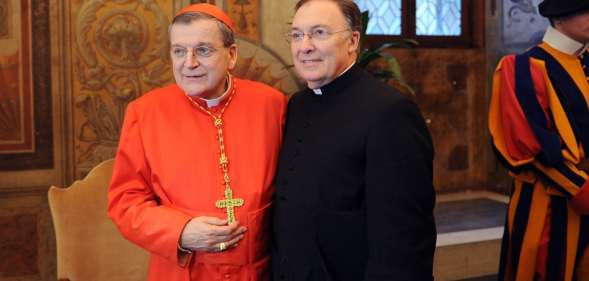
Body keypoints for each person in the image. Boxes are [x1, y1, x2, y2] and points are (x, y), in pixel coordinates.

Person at [107, 3, 286, 281]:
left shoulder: (271, 104)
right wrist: (181, 231)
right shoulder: (145, 113)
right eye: (179, 51)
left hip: (261, 270)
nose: (188, 63)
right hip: (183, 272)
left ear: (231, 55)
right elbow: (125, 202)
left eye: (203, 50)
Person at [271, 0, 436, 280]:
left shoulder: (390, 112)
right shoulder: (298, 104)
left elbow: (404, 240)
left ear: (353, 41)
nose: (304, 46)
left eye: (319, 33)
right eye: (297, 35)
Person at [489, 0, 589, 280]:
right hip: (547, 207)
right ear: (558, 18)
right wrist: (582, 188)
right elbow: (528, 147)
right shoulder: (522, 68)